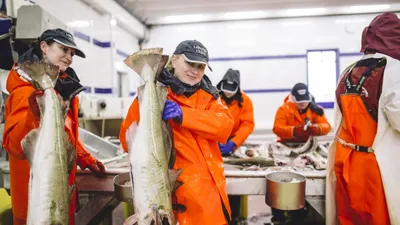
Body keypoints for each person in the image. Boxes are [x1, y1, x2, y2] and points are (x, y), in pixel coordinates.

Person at [119, 40, 234, 225]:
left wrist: (184, 114)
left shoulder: (210, 97)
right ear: (173, 60)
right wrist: (149, 108)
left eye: (201, 66)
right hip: (171, 196)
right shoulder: (154, 95)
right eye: (190, 63)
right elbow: (127, 139)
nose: (195, 71)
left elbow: (225, 126)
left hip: (208, 197)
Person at [2, 28, 106, 225]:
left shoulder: (62, 88)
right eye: (63, 49)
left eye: (72, 54)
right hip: (35, 204)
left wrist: (85, 158)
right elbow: (15, 146)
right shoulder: (24, 92)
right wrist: (33, 113)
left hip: (61, 199)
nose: (68, 57)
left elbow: (63, 137)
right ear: (44, 46)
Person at [326, 12, 400, 225]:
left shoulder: (349, 70)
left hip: (345, 162)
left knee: (350, 219)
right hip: (374, 168)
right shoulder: (393, 69)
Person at [216, 68, 254, 224]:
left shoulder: (245, 101)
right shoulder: (214, 97)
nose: (228, 93)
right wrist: (214, 139)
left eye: (232, 90)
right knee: (218, 185)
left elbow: (248, 124)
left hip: (233, 145)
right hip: (215, 143)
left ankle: (236, 217)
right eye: (226, 89)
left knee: (236, 184)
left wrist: (234, 143)